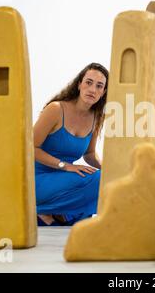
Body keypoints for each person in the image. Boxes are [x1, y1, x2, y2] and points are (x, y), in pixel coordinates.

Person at [33, 62, 108, 226]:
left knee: (107, 180)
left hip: (62, 178)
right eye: (88, 82)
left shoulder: (96, 117)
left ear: (103, 92)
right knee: (97, 179)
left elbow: (89, 154)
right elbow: (30, 148)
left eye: (99, 86)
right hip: (36, 178)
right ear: (79, 84)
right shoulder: (56, 109)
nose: (92, 89)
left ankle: (54, 217)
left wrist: (110, 170)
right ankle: (43, 210)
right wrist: (65, 165)